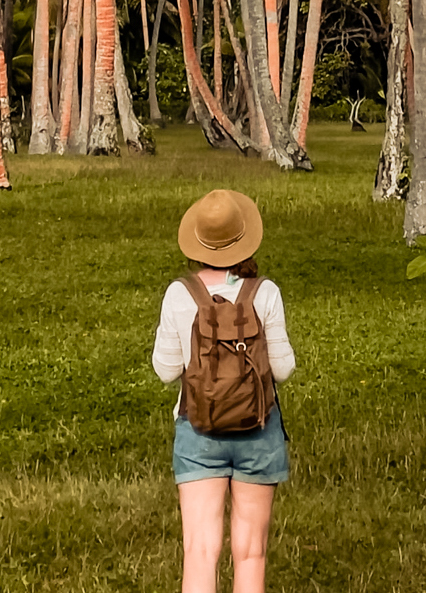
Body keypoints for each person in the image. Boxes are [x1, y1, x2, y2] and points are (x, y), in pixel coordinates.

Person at [152, 188, 295, 593]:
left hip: (198, 431)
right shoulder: (264, 293)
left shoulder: (180, 294)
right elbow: (282, 370)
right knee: (250, 553)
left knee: (200, 552)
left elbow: (164, 371)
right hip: (259, 430)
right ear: (244, 237)